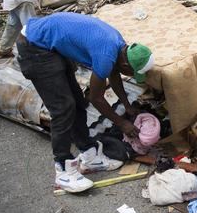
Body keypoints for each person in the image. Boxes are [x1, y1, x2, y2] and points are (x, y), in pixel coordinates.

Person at [16, 12, 155, 193]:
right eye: (133, 73)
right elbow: (96, 98)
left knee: (77, 102)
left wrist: (127, 105)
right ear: (126, 65)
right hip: (34, 44)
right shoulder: (106, 55)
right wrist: (122, 123)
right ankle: (63, 169)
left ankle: (89, 156)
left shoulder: (119, 47)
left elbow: (114, 76)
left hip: (50, 44)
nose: (131, 76)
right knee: (63, 108)